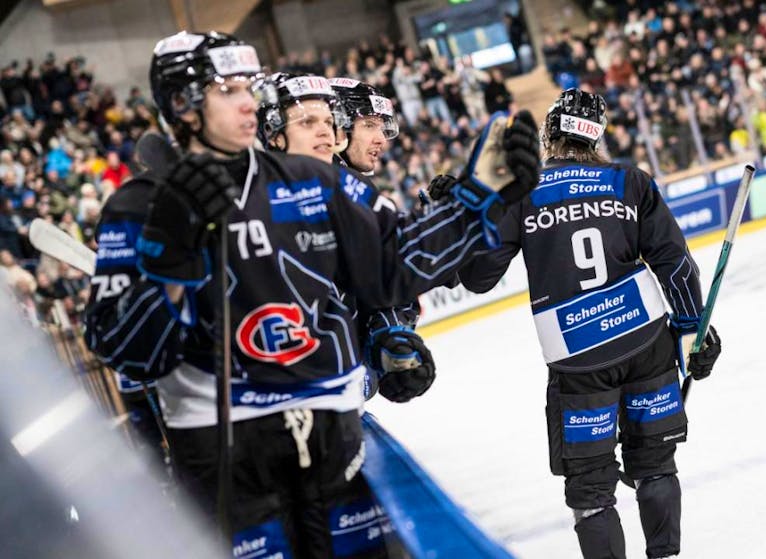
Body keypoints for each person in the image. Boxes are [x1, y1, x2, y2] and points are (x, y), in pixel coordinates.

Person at [84, 31, 540, 558]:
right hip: (225, 454)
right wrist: (170, 260)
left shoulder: (312, 182)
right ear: (184, 105)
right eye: (228, 89)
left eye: (248, 87)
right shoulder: (139, 207)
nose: (246, 101)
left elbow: (390, 269)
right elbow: (123, 349)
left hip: (331, 435)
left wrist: (473, 200)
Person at [450, 89, 722, 559]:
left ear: (550, 131)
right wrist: (693, 329)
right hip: (646, 342)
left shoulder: (523, 192)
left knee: (592, 491)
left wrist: (463, 221)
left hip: (580, 359)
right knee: (655, 464)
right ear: (597, 135)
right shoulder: (629, 180)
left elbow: (477, 277)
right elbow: (676, 265)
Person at [255, 71, 433, 556]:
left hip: (330, 425)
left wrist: (387, 338)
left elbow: (379, 295)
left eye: (326, 120)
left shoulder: (355, 199)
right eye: (368, 124)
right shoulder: (275, 203)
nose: (379, 139)